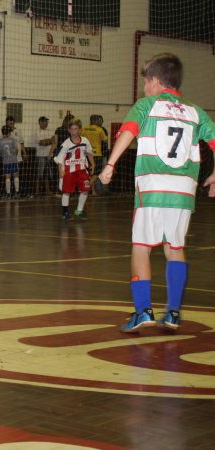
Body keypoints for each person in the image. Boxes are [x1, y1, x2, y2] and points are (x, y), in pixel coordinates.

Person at [99, 53, 215, 333]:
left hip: (152, 188)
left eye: (146, 82)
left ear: (155, 81)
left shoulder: (146, 105)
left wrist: (110, 164)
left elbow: (128, 131)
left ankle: (143, 311)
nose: (144, 88)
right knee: (175, 248)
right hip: (184, 191)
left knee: (141, 247)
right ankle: (173, 312)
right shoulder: (195, 111)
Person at [54, 118, 94, 221]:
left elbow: (89, 153)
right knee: (66, 192)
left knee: (86, 190)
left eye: (76, 129)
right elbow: (60, 159)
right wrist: (60, 171)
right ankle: (65, 212)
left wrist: (92, 164)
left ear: (80, 130)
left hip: (81, 170)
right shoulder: (66, 143)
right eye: (71, 129)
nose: (73, 131)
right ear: (68, 130)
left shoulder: (85, 141)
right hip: (69, 171)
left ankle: (79, 210)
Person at [0, 125, 21, 199]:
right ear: (9, 133)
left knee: (7, 177)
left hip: (6, 162)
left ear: (2, 133)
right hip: (14, 161)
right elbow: (16, 150)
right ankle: (17, 193)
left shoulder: (0, 141)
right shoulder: (12, 140)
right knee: (16, 176)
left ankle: (8, 194)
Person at [81, 114, 108, 195]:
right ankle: (86, 188)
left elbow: (81, 139)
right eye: (98, 120)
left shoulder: (84, 128)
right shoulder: (100, 130)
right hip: (97, 154)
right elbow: (105, 140)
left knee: (89, 173)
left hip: (87, 154)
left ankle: (93, 191)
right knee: (96, 173)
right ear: (95, 121)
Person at [32, 116, 55, 195]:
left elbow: (54, 141)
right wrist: (49, 141)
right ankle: (37, 191)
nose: (46, 123)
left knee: (47, 174)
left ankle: (47, 190)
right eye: (44, 122)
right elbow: (41, 143)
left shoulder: (50, 131)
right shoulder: (36, 132)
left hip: (49, 155)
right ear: (40, 122)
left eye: (47, 122)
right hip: (40, 155)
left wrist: (47, 141)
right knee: (39, 174)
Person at [53, 114, 74, 194]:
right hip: (60, 154)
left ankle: (66, 190)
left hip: (69, 154)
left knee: (68, 173)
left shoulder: (71, 130)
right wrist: (51, 153)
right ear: (67, 121)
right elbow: (55, 142)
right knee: (60, 173)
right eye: (71, 121)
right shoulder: (59, 130)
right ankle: (58, 191)